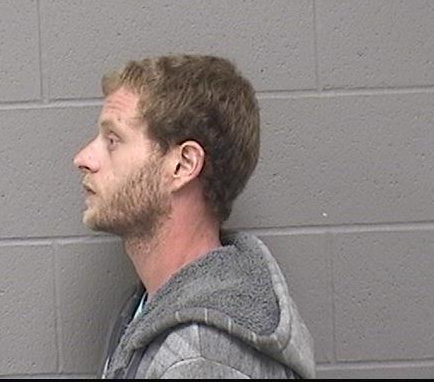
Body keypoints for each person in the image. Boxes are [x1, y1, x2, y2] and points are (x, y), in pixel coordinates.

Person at [73, 54, 316, 379]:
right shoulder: (150, 309)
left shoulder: (200, 357)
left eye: (113, 140)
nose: (84, 158)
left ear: (183, 165)